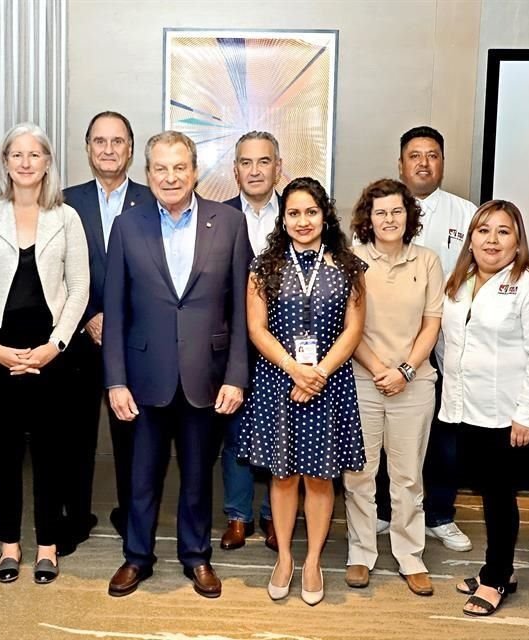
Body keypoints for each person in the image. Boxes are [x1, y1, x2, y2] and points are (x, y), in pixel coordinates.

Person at [103, 131, 249, 599]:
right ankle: (137, 556)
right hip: (144, 377)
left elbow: (242, 310)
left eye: (179, 167)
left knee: (197, 477)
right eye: (161, 169)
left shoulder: (228, 223)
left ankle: (196, 557)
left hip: (206, 374)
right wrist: (115, 381)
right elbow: (116, 309)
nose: (170, 177)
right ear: (148, 174)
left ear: (195, 171)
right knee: (140, 476)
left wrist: (236, 375)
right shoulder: (128, 226)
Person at [0, 123, 89, 585]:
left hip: (52, 352)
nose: (26, 162)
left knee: (53, 453)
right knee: (4, 452)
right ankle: (10, 544)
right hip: (0, 348)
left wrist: (54, 347)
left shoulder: (66, 218)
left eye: (34, 154)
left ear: (47, 162)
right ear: (6, 163)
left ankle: (49, 545)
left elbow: (79, 290)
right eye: (17, 154)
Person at [236, 176, 366, 606]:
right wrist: (295, 369)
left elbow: (354, 329)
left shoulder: (348, 265)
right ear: (283, 217)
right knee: (284, 474)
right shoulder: (264, 265)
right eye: (294, 212)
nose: (303, 220)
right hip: (279, 382)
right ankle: (285, 559)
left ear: (325, 215)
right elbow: (256, 328)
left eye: (311, 211)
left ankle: (312, 561)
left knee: (320, 477)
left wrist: (320, 372)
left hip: (328, 384)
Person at [438, 200, 529, 616]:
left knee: (499, 495)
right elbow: (448, 345)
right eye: (483, 230)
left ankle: (495, 580)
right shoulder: (459, 281)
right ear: (470, 238)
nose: (492, 240)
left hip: (508, 415)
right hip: (465, 408)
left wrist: (528, 412)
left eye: (503, 231)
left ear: (518, 240)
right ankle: (500, 567)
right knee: (487, 492)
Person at [373, 126, 477, 551]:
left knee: (443, 433)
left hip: (446, 336)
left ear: (442, 163)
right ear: (400, 163)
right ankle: (384, 510)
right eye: (414, 155)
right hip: (388, 340)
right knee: (384, 428)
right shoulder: (382, 210)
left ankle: (439, 514)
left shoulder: (466, 213)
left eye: (432, 155)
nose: (422, 163)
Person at [343, 178, 443, 596]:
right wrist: (379, 368)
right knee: (359, 476)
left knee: (406, 478)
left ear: (409, 215)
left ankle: (409, 556)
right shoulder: (351, 259)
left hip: (414, 384)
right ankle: (361, 555)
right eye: (380, 212)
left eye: (397, 211)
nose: (389, 219)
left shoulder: (427, 261)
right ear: (369, 218)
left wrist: (403, 370)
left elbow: (432, 322)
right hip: (362, 383)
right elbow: (348, 327)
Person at [60, 111, 153, 554]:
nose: (109, 149)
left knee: (130, 434)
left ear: (131, 149)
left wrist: (117, 320)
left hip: (134, 338)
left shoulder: (153, 199)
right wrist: (88, 316)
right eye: (100, 141)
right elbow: (53, 272)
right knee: (75, 432)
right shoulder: (63, 201)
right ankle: (75, 515)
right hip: (79, 335)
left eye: (118, 141)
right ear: (88, 148)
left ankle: (131, 514)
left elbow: (157, 274)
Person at [219, 130, 283, 553]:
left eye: (264, 162)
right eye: (246, 162)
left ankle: (274, 517)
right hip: (233, 342)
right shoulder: (218, 216)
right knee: (237, 431)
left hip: (289, 345)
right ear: (235, 170)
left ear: (278, 168)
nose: (255, 170)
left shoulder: (298, 213)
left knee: (282, 430)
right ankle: (238, 516)